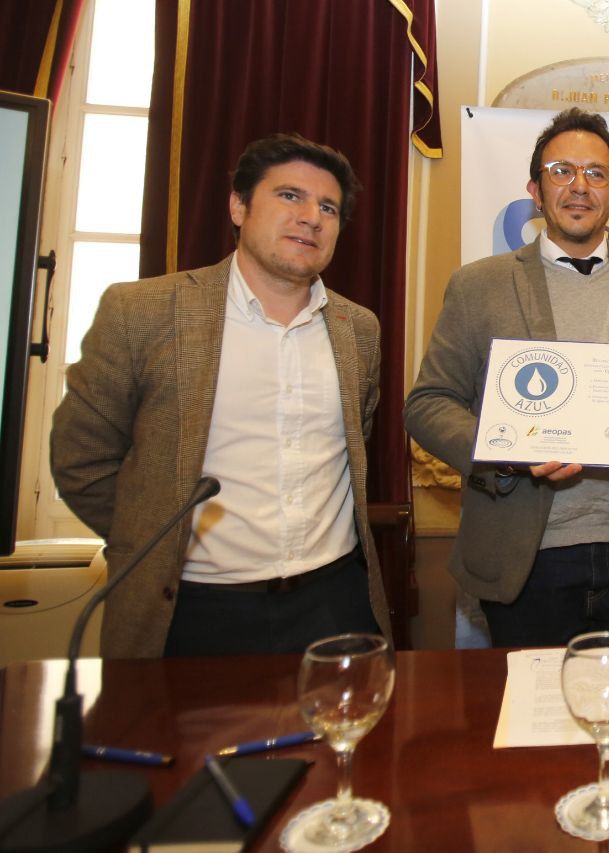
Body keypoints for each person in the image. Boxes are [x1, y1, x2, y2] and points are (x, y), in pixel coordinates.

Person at [50, 133, 392, 658]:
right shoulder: (143, 312)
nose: (311, 217)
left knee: (344, 741)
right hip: (193, 609)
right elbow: (82, 460)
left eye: (328, 207)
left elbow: (355, 447)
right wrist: (154, 537)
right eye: (289, 196)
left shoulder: (358, 329)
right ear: (238, 205)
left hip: (334, 601)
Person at [403, 108, 609, 648]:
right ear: (535, 188)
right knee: (535, 725)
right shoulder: (478, 286)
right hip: (527, 556)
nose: (580, 186)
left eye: (597, 174)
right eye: (562, 170)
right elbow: (428, 404)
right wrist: (507, 447)